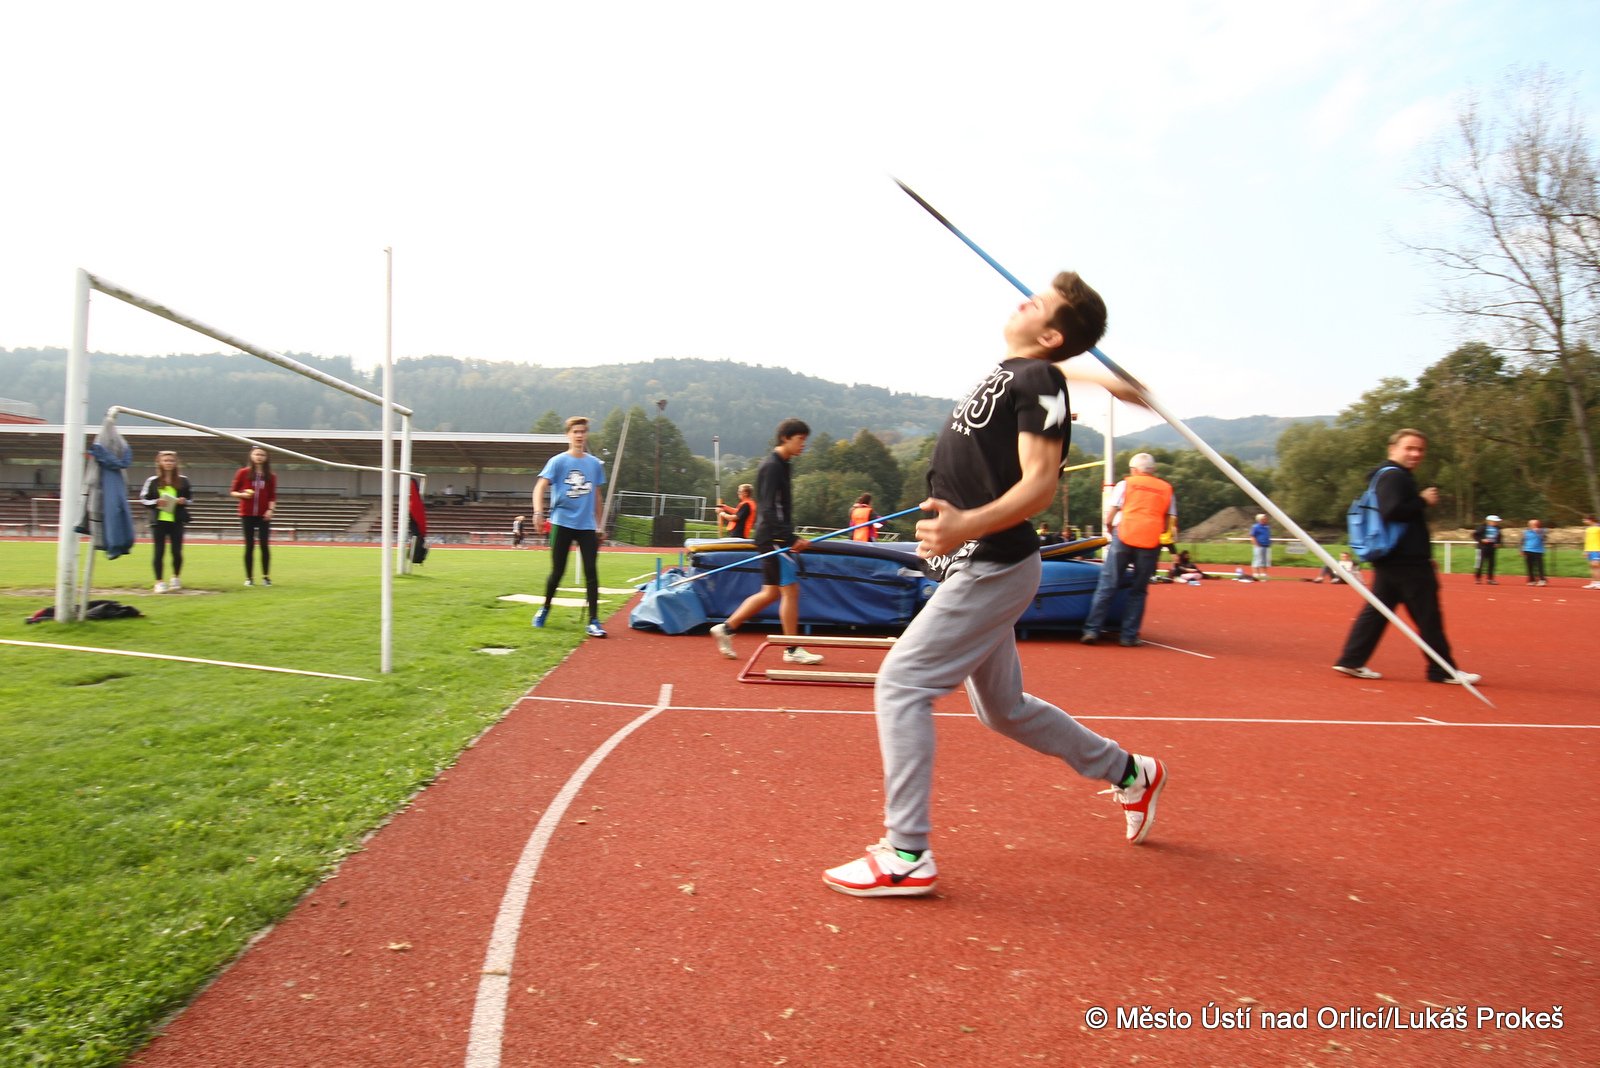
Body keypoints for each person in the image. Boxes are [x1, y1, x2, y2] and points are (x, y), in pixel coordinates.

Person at [821, 271, 1168, 898]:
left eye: (1040, 302)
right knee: (1004, 710)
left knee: (901, 683)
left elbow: (1040, 485)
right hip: (977, 561)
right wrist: (1103, 380)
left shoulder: (1040, 378)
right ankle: (1128, 771)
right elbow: (1047, 378)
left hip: (993, 564)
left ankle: (907, 852)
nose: (1024, 299)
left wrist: (965, 525)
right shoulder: (1027, 374)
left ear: (1052, 335)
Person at [1332, 429, 1480, 685]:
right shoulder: (1395, 476)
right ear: (1392, 449)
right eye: (1409, 448)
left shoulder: (1385, 475)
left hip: (1392, 559)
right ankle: (1442, 670)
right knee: (1428, 616)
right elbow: (1392, 512)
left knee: (1377, 612)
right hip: (1407, 562)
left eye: (1420, 449)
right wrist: (1422, 501)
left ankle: (1351, 659)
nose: (1416, 454)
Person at [709, 420, 824, 666]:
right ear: (785, 438)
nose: (803, 444)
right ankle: (792, 649)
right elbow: (769, 508)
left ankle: (726, 628)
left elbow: (777, 508)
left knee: (771, 593)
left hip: (772, 536)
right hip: (773, 538)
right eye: (800, 439)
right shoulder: (772, 466)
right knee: (790, 591)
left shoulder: (782, 465)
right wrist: (791, 538)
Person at [1080, 453, 1178, 647]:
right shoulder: (1166, 488)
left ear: (1133, 470)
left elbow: (1110, 515)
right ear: (1153, 470)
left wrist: (1110, 529)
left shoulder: (1126, 484)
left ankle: (1092, 630)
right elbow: (1170, 520)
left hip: (1125, 535)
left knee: (1108, 584)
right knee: (1138, 590)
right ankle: (1128, 636)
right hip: (1150, 540)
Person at [531, 416, 608, 638]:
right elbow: (539, 487)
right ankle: (545, 608)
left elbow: (597, 496)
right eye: (575, 432)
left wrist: (600, 525)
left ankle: (594, 620)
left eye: (583, 431)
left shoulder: (594, 464)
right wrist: (538, 512)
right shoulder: (558, 462)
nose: (579, 435)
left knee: (591, 571)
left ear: (586, 435)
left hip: (586, 526)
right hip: (562, 522)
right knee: (558, 571)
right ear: (568, 435)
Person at [138, 450, 192, 593]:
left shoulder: (183, 480)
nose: (169, 463)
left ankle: (175, 577)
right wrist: (156, 502)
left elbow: (190, 499)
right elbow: (143, 499)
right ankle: (159, 582)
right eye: (166, 460)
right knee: (159, 551)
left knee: (177, 551)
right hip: (159, 521)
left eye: (171, 460)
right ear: (159, 462)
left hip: (176, 520)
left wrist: (184, 501)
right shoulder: (152, 481)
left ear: (176, 463)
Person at [230, 446, 277, 587]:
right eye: (256, 454)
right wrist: (242, 495)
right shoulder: (243, 473)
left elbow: (272, 496)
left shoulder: (271, 476)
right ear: (251, 456)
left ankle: (266, 577)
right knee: (249, 546)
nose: (259, 457)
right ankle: (249, 578)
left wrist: (270, 510)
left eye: (262, 454)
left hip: (263, 515)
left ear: (266, 457)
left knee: (264, 545)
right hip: (247, 514)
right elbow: (233, 491)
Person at [1472, 514, 1503, 584]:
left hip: (1492, 547)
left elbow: (1499, 536)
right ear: (1489, 521)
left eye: (1497, 521)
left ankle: (1490, 579)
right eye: (1495, 521)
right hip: (1482, 547)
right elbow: (1475, 535)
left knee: (1491, 564)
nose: (1496, 523)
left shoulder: (1497, 528)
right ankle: (1478, 578)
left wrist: (1498, 543)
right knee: (1480, 563)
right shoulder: (1482, 527)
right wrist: (1482, 540)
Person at [1521, 518, 1547, 586]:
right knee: (1530, 566)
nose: (1533, 525)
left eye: (1535, 524)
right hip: (1528, 550)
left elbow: (1544, 538)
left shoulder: (1542, 531)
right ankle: (1531, 580)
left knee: (1539, 566)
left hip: (1538, 551)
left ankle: (1542, 580)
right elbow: (1522, 541)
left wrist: (1538, 532)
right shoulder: (1526, 532)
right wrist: (1521, 549)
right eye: (1531, 524)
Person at [1248, 513, 1272, 580]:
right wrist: (1256, 544)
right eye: (1264, 519)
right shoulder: (1255, 527)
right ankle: (1255, 573)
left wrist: (1269, 542)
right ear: (1260, 520)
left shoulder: (1267, 527)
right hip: (1259, 545)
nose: (1266, 520)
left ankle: (1264, 573)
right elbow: (1252, 536)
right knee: (1257, 559)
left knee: (1265, 560)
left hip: (1266, 545)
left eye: (1266, 519)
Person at [1584, 515, 1600, 590]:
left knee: (1596, 566)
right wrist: (1586, 551)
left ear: (1591, 520)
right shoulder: (1588, 529)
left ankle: (1598, 583)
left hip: (1597, 550)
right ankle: (1593, 583)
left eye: (1585, 520)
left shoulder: (1598, 528)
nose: (1584, 521)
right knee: (1592, 566)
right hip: (1590, 550)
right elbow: (1587, 541)